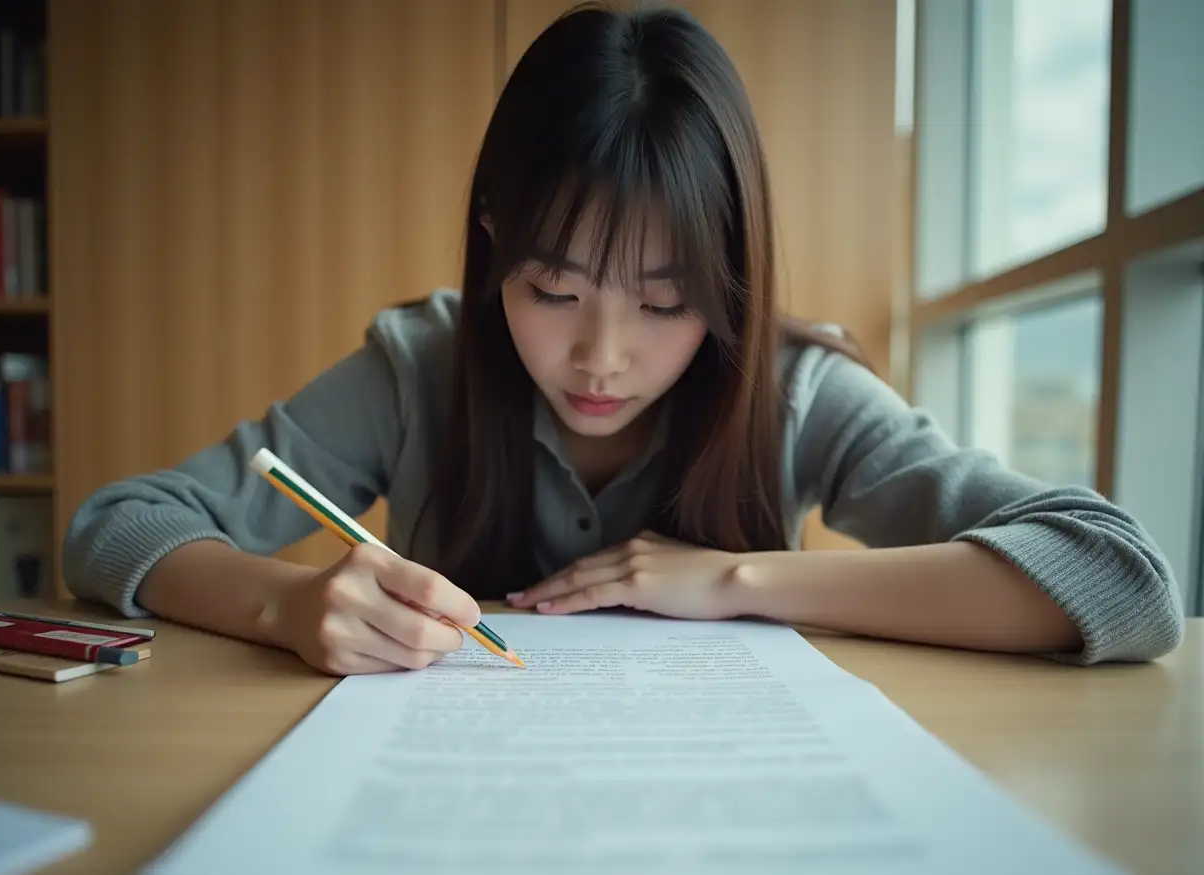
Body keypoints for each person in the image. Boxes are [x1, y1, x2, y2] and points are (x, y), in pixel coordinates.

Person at [62, 1, 1183, 675]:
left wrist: (740, 580)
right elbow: (117, 525)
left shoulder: (789, 391)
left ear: (729, 285)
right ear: (494, 243)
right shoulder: (425, 370)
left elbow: (1118, 578)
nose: (600, 358)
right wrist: (286, 604)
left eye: (663, 303)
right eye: (551, 288)